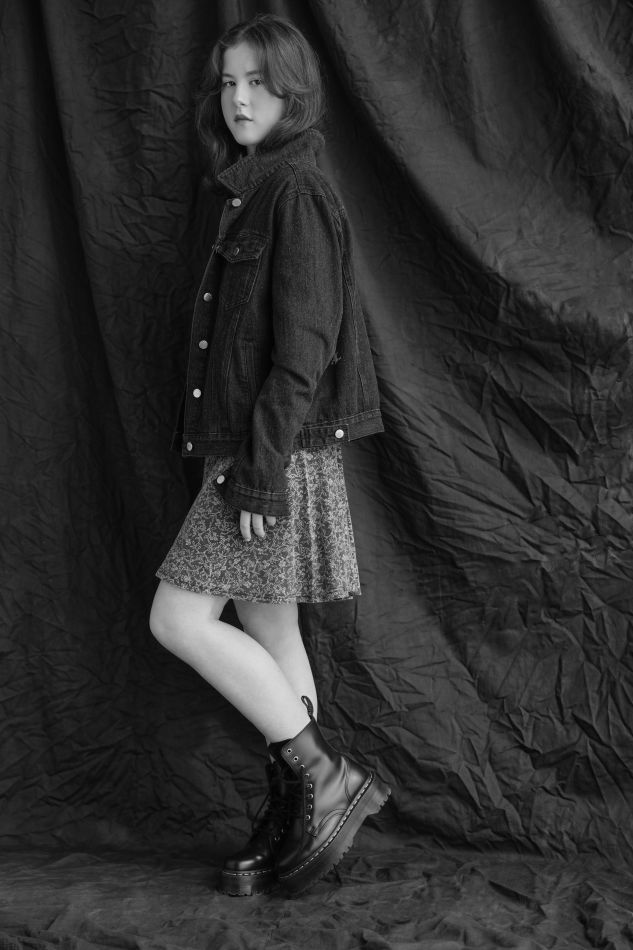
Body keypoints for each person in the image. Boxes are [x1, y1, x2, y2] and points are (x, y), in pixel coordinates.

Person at [149, 13, 390, 897]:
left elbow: (304, 351)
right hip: (256, 450)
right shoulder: (251, 188)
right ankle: (302, 814)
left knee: (177, 620)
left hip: (271, 455)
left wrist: (257, 473)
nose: (238, 98)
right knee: (271, 628)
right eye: (227, 82)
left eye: (256, 82)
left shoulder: (295, 191)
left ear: (292, 91)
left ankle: (324, 779)